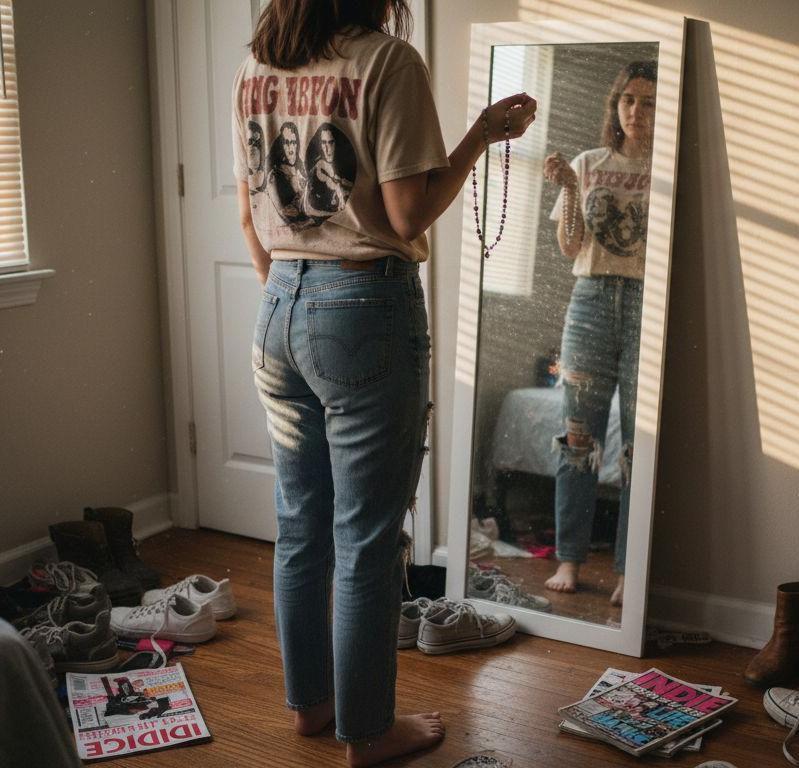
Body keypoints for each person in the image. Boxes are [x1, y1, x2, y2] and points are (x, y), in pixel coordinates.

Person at [230, 3, 536, 766]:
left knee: (301, 526)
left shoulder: (255, 67)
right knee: (366, 540)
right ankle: (368, 734)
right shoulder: (385, 61)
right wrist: (478, 138)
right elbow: (404, 214)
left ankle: (313, 708)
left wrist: (294, 297)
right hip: (362, 302)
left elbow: (247, 216)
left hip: (277, 304)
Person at [541, 61, 656, 608]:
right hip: (588, 301)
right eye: (628, 100)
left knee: (637, 443)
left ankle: (630, 568)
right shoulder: (588, 164)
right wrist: (568, 188)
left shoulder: (668, 170)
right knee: (579, 437)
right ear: (615, 105)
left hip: (646, 306)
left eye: (649, 101)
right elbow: (570, 247)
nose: (636, 111)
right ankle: (570, 557)